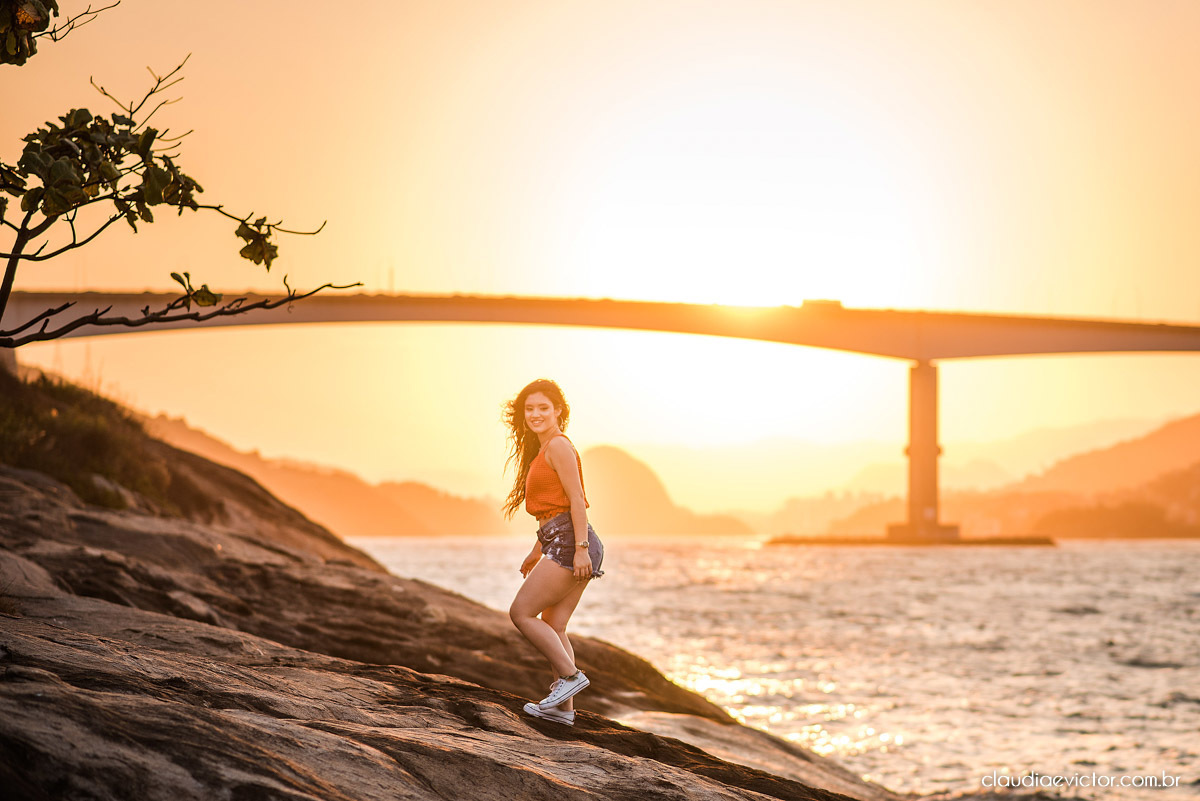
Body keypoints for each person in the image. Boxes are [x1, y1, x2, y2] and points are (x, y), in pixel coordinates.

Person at [502, 378, 605, 726]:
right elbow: (552, 509)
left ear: (558, 410)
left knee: (521, 613)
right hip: (562, 539)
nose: (536, 414)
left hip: (572, 541)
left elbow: (576, 500)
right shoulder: (543, 449)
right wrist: (537, 549)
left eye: (543, 408)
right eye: (529, 409)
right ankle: (564, 711)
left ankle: (570, 677)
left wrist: (580, 550)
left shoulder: (559, 446)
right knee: (555, 625)